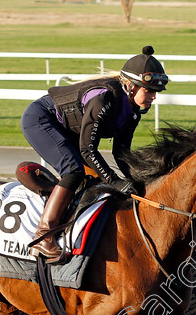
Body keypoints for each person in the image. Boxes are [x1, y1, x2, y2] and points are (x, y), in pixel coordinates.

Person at [20, 45, 168, 264]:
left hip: (70, 129)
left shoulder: (133, 111)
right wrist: (115, 182)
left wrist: (136, 181)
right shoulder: (103, 100)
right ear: (130, 86)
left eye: (156, 91)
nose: (154, 97)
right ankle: (44, 236)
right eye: (149, 90)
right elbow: (88, 149)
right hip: (41, 120)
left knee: (92, 183)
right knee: (73, 172)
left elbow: (121, 152)